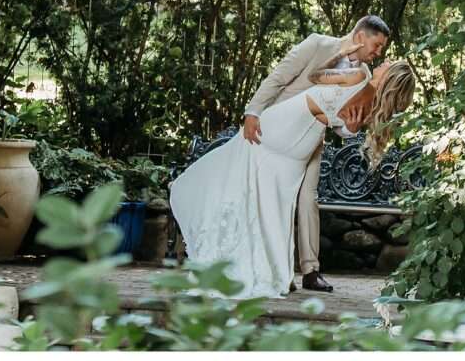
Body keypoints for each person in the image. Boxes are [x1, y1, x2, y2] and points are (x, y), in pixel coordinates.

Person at [169, 29, 416, 299]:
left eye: (388, 63)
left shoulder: (360, 75)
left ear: (389, 77)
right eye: (379, 49)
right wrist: (350, 127)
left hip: (283, 125)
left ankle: (236, 260)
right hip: (302, 142)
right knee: (274, 202)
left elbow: (315, 78)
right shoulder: (373, 102)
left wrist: (341, 56)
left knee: (231, 175)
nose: (383, 60)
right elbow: (342, 123)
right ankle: (273, 273)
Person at [244, 15, 389, 292]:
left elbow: (343, 123)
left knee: (308, 198)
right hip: (280, 129)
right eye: (377, 44)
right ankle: (278, 270)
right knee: (277, 196)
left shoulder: (367, 76)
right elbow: (279, 78)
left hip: (311, 137)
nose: (378, 52)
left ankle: (311, 271)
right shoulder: (318, 45)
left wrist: (352, 127)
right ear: (360, 36)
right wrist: (253, 112)